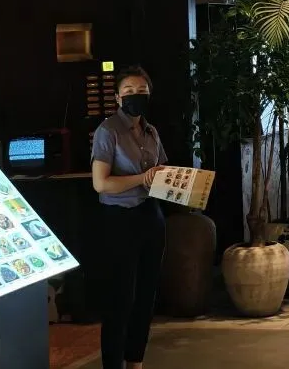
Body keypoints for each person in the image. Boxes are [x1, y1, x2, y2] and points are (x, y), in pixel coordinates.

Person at [91, 66, 167, 369]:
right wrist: (141, 179)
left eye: (142, 91)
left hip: (151, 215)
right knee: (120, 299)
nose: (136, 96)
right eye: (129, 91)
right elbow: (100, 183)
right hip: (119, 219)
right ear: (117, 97)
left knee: (146, 296)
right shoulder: (107, 131)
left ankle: (135, 361)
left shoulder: (152, 131)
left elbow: (161, 172)